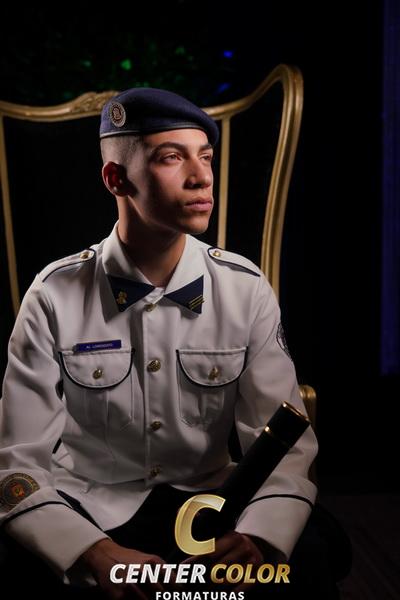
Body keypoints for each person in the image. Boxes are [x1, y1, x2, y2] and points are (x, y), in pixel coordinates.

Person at [0, 88, 338, 599]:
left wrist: (258, 535)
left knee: (305, 560)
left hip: (213, 505)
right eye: (172, 157)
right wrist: (91, 551)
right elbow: (17, 463)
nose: (202, 177)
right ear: (116, 179)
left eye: (206, 157)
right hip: (89, 509)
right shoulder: (52, 295)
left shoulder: (244, 289)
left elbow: (286, 447)